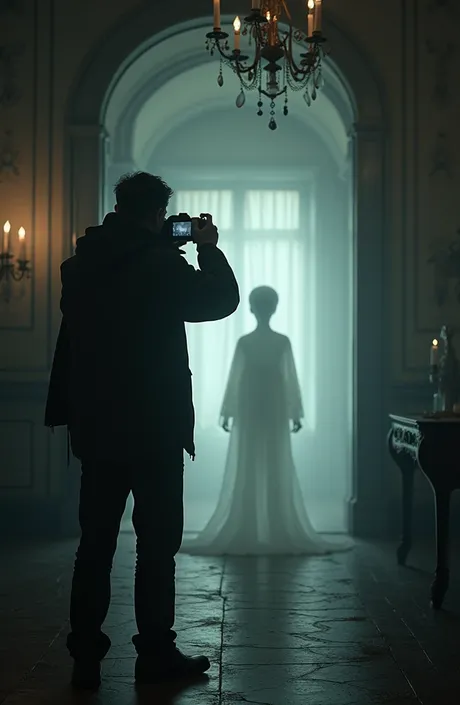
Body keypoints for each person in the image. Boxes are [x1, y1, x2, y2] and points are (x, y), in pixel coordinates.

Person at [44, 172, 240, 689]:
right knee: (155, 546)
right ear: (158, 215)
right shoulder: (159, 265)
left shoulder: (82, 265)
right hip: (153, 427)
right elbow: (219, 301)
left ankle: (85, 654)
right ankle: (155, 653)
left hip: (98, 425)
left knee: (96, 544)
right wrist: (206, 248)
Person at [181, 286, 352, 556]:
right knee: (275, 461)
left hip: (253, 407)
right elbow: (289, 379)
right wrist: (295, 413)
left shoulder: (247, 342)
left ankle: (248, 525)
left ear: (251, 308)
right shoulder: (280, 342)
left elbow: (237, 380)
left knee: (248, 462)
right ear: (274, 308)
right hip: (272, 407)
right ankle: (276, 525)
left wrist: (228, 412)